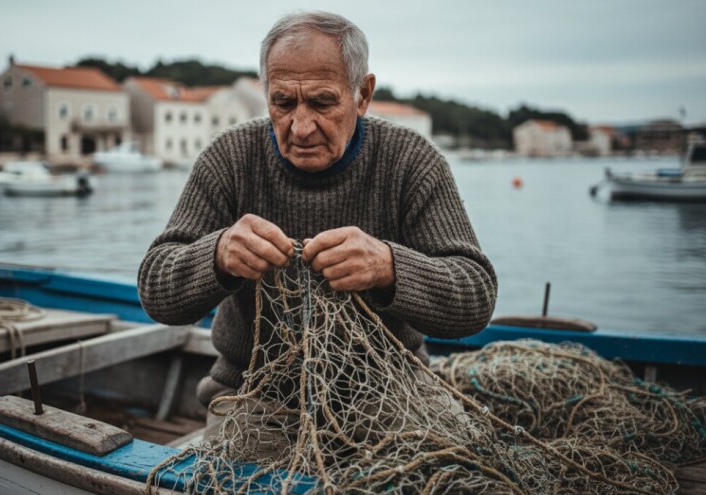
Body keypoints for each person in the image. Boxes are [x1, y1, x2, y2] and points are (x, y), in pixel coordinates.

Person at [138, 11, 497, 427]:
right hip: (253, 392)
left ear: (362, 95)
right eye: (283, 102)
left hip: (392, 387)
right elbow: (155, 291)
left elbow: (475, 297)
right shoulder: (231, 158)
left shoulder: (411, 162)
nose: (301, 126)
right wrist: (216, 255)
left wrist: (388, 266)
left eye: (323, 102)